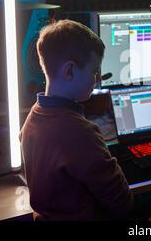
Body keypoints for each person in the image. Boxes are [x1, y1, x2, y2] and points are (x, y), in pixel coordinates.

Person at [20, 19, 133, 220]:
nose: (98, 79)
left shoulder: (32, 118)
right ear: (70, 71)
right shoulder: (80, 132)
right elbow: (122, 202)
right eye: (94, 71)